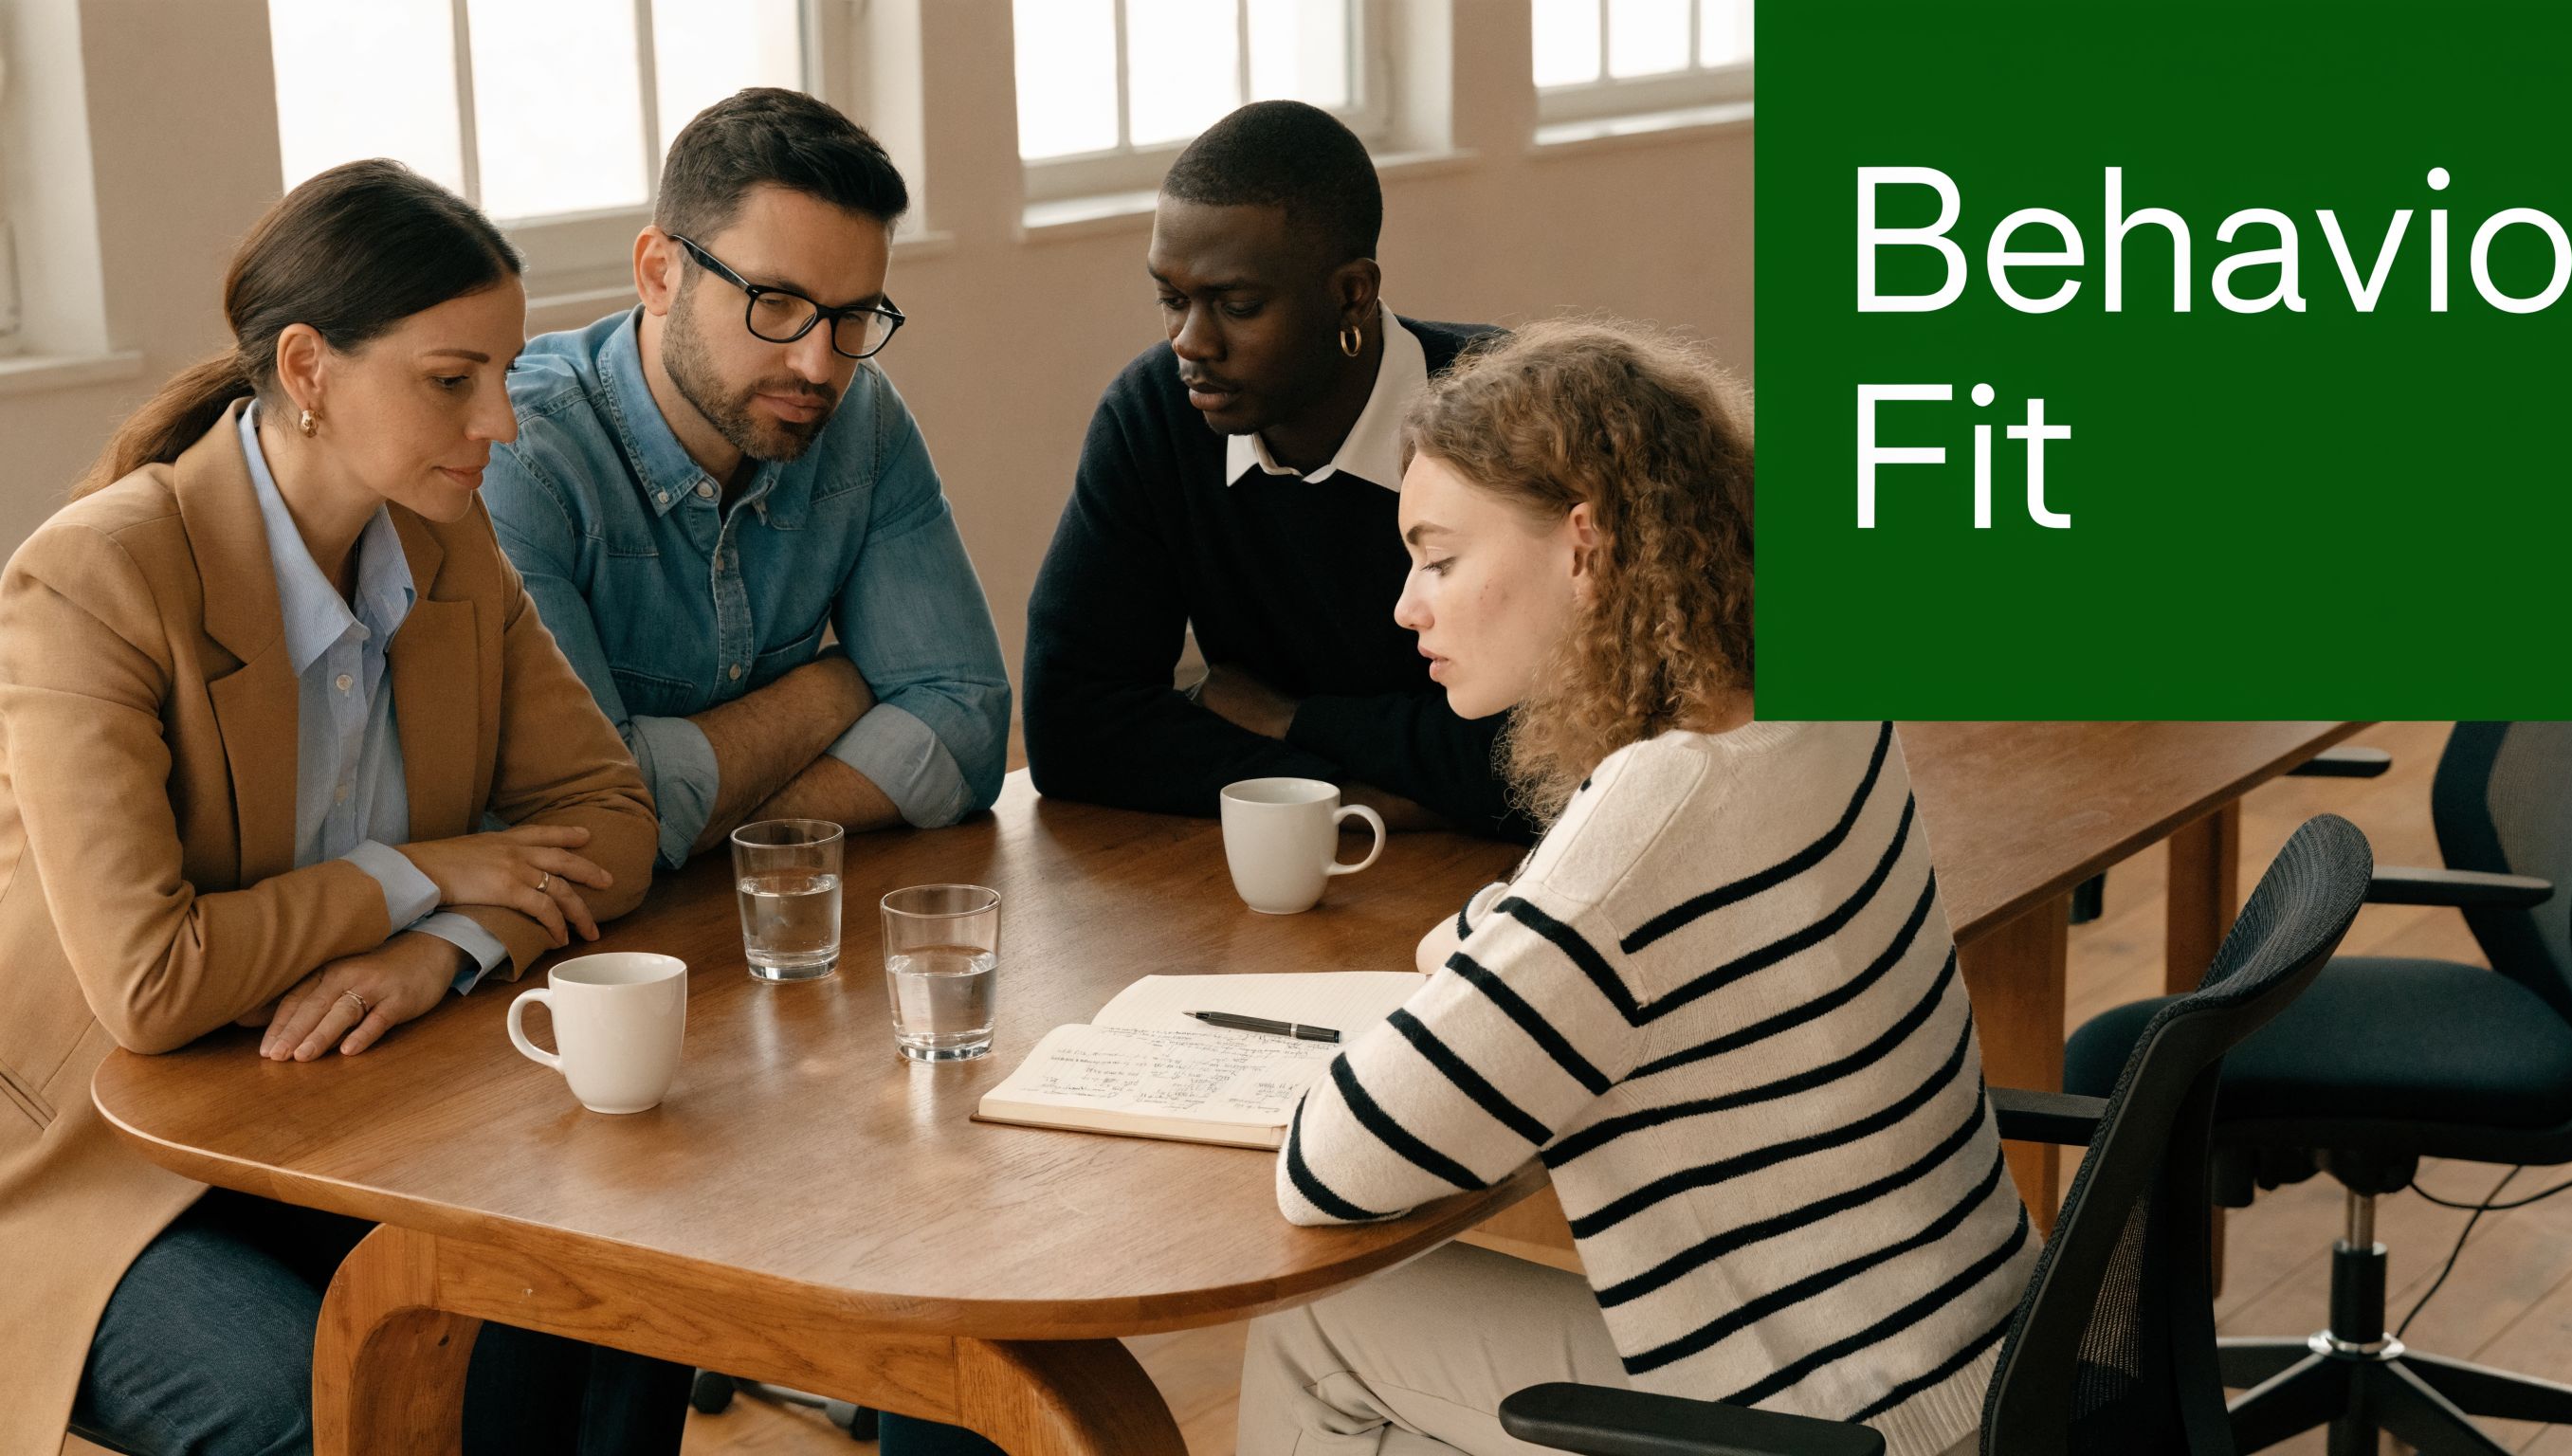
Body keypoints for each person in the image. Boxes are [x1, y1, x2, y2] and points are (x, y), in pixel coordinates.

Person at [1238, 322, 2035, 1456]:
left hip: (1823, 1425)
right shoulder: (1816, 697)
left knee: (1320, 1330)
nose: (1408, 607)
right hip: (1978, 1375)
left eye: (1441, 558)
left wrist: (1491, 957)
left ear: (1584, 546)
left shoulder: (1655, 817)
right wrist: (1501, 949)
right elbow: (1525, 930)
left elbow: (1333, 1161)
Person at [0, 160, 684, 1456]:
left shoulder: (444, 543)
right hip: (89, 1163)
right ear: (309, 369)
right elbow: (153, 985)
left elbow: (609, 816)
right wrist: (419, 869)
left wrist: (444, 946)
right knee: (310, 1411)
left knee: (627, 1297)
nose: (503, 422)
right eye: (451, 380)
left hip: (337, 1107)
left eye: (505, 373)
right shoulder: (95, 577)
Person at [483, 88, 1008, 869]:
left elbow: (967, 725)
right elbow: (586, 819)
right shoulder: (520, 457)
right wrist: (835, 691)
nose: (818, 364)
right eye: (777, 301)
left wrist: (704, 826)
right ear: (659, 274)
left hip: (770, 924)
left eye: (853, 316)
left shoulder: (859, 415)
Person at [1021, 100, 1526, 840]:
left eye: (1237, 305)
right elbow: (1073, 726)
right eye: (1171, 298)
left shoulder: (1513, 417)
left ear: (1352, 293)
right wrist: (1352, 797)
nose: (1190, 343)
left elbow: (1555, 747)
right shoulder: (1154, 415)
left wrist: (1293, 721)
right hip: (1303, 866)